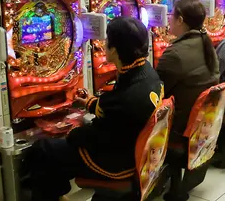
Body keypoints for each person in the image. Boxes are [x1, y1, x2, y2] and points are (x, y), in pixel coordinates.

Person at [27, 17, 163, 201]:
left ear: (114, 50)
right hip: (135, 153)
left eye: (107, 40)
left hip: (117, 162)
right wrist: (90, 102)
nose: (103, 44)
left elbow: (96, 136)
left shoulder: (129, 96)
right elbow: (115, 110)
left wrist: (71, 131)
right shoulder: (146, 72)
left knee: (43, 149)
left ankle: (52, 194)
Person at [157, 0, 220, 139]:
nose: (169, 20)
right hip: (202, 117)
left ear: (179, 20)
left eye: (171, 16)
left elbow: (156, 93)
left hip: (180, 124)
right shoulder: (205, 41)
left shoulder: (175, 54)